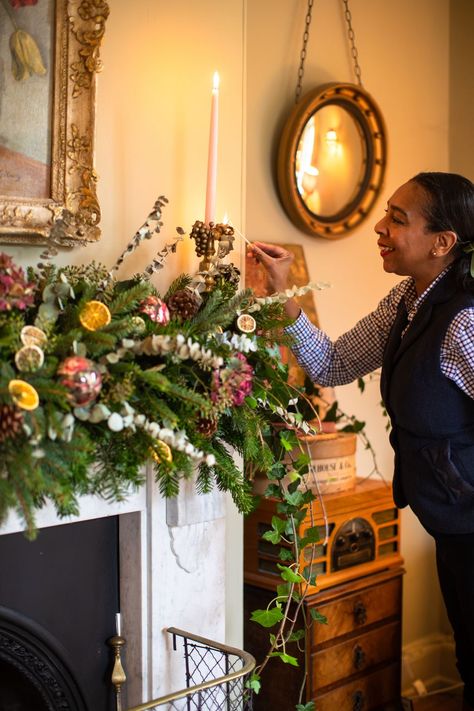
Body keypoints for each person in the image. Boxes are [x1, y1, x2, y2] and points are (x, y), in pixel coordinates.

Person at [248, 172, 474, 711]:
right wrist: (284, 291)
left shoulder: (465, 319)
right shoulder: (406, 300)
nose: (381, 227)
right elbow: (335, 363)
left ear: (442, 243)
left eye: (398, 219)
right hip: (451, 521)